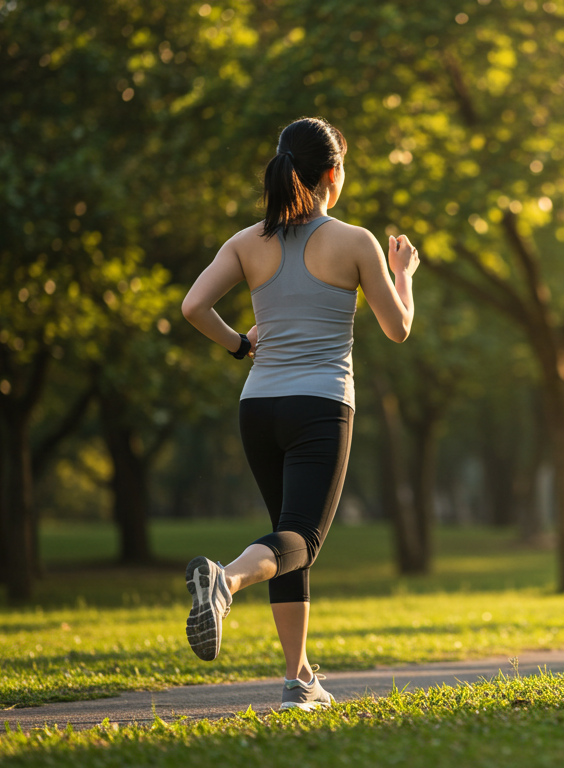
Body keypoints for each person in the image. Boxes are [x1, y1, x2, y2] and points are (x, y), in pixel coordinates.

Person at [178, 116, 418, 711]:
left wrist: (240, 344)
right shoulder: (356, 242)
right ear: (332, 174)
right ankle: (225, 580)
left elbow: (193, 306)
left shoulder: (247, 242)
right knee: (301, 539)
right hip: (320, 406)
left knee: (285, 538)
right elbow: (399, 328)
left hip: (258, 407)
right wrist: (403, 275)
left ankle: (298, 679)